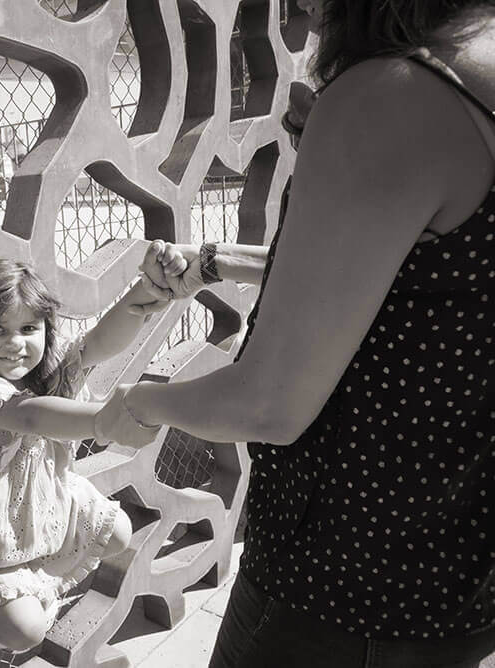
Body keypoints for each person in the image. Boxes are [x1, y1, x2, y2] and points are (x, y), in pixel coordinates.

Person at [97, 0, 495, 666]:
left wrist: (140, 404)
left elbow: (267, 406)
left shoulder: (397, 95)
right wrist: (215, 263)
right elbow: (415, 285)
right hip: (459, 585)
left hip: (340, 595)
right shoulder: (474, 66)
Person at [0, 258, 171, 654]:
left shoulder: (42, 367)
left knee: (119, 530)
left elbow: (98, 343)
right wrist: (104, 420)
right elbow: (31, 417)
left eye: (28, 328)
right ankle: (25, 595)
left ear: (45, 329)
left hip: (41, 499)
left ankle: (40, 574)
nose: (16, 343)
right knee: (24, 632)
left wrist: (141, 296)